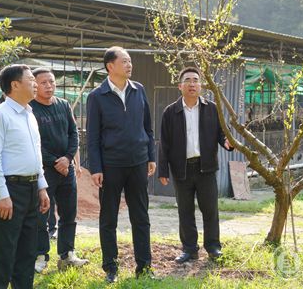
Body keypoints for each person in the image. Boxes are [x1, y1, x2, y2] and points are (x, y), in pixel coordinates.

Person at [86, 46, 156, 283]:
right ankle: (111, 268)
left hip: (138, 163)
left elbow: (148, 127)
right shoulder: (97, 96)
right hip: (111, 166)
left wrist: (151, 156)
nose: (129, 65)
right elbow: (93, 136)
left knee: (141, 217)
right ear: (110, 66)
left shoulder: (139, 90)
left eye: (130, 61)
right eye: (124, 61)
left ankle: (144, 267)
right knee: (109, 219)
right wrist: (96, 168)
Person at [0, 64, 50, 289]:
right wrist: (2, 195)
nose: (35, 84)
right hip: (10, 190)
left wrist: (41, 187)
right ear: (15, 85)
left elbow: (36, 154)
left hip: (31, 190)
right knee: (2, 252)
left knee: (27, 252)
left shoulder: (29, 114)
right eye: (31, 79)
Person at [158, 66, 232, 263]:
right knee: (185, 211)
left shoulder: (212, 108)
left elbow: (221, 133)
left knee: (210, 210)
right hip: (181, 169)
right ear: (180, 86)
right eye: (188, 80)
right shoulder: (170, 112)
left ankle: (213, 247)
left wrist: (227, 142)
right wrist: (163, 170)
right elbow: (164, 143)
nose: (192, 84)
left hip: (205, 167)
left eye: (196, 80)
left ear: (201, 86)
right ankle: (189, 249)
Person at [30, 68, 88, 273]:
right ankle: (40, 255)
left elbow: (74, 134)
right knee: (41, 214)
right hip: (44, 170)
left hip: (66, 169)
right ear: (34, 85)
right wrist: (55, 161)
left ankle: (67, 254)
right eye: (44, 83)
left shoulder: (63, 105)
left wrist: (68, 158)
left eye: (52, 82)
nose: (49, 86)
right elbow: (33, 142)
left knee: (69, 212)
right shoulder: (30, 108)